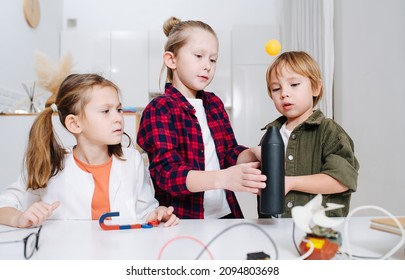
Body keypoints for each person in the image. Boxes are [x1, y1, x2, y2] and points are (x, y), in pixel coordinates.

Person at [0, 73, 179, 228]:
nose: (118, 118)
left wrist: (158, 214)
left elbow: (145, 212)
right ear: (74, 123)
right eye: (105, 111)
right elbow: (4, 206)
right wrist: (19, 218)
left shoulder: (132, 161)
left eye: (118, 109)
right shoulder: (50, 163)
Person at [137, 16, 266, 219]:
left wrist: (253, 153)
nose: (207, 65)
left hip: (226, 215)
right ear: (171, 60)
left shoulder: (214, 104)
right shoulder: (160, 108)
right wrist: (223, 178)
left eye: (213, 59)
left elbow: (229, 154)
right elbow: (167, 173)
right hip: (183, 220)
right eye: (198, 56)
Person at [258, 51, 359, 218]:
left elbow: (342, 180)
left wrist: (291, 183)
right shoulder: (270, 135)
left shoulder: (330, 132)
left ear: (315, 88)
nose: (284, 93)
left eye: (294, 84)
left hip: (318, 232)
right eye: (276, 88)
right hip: (273, 228)